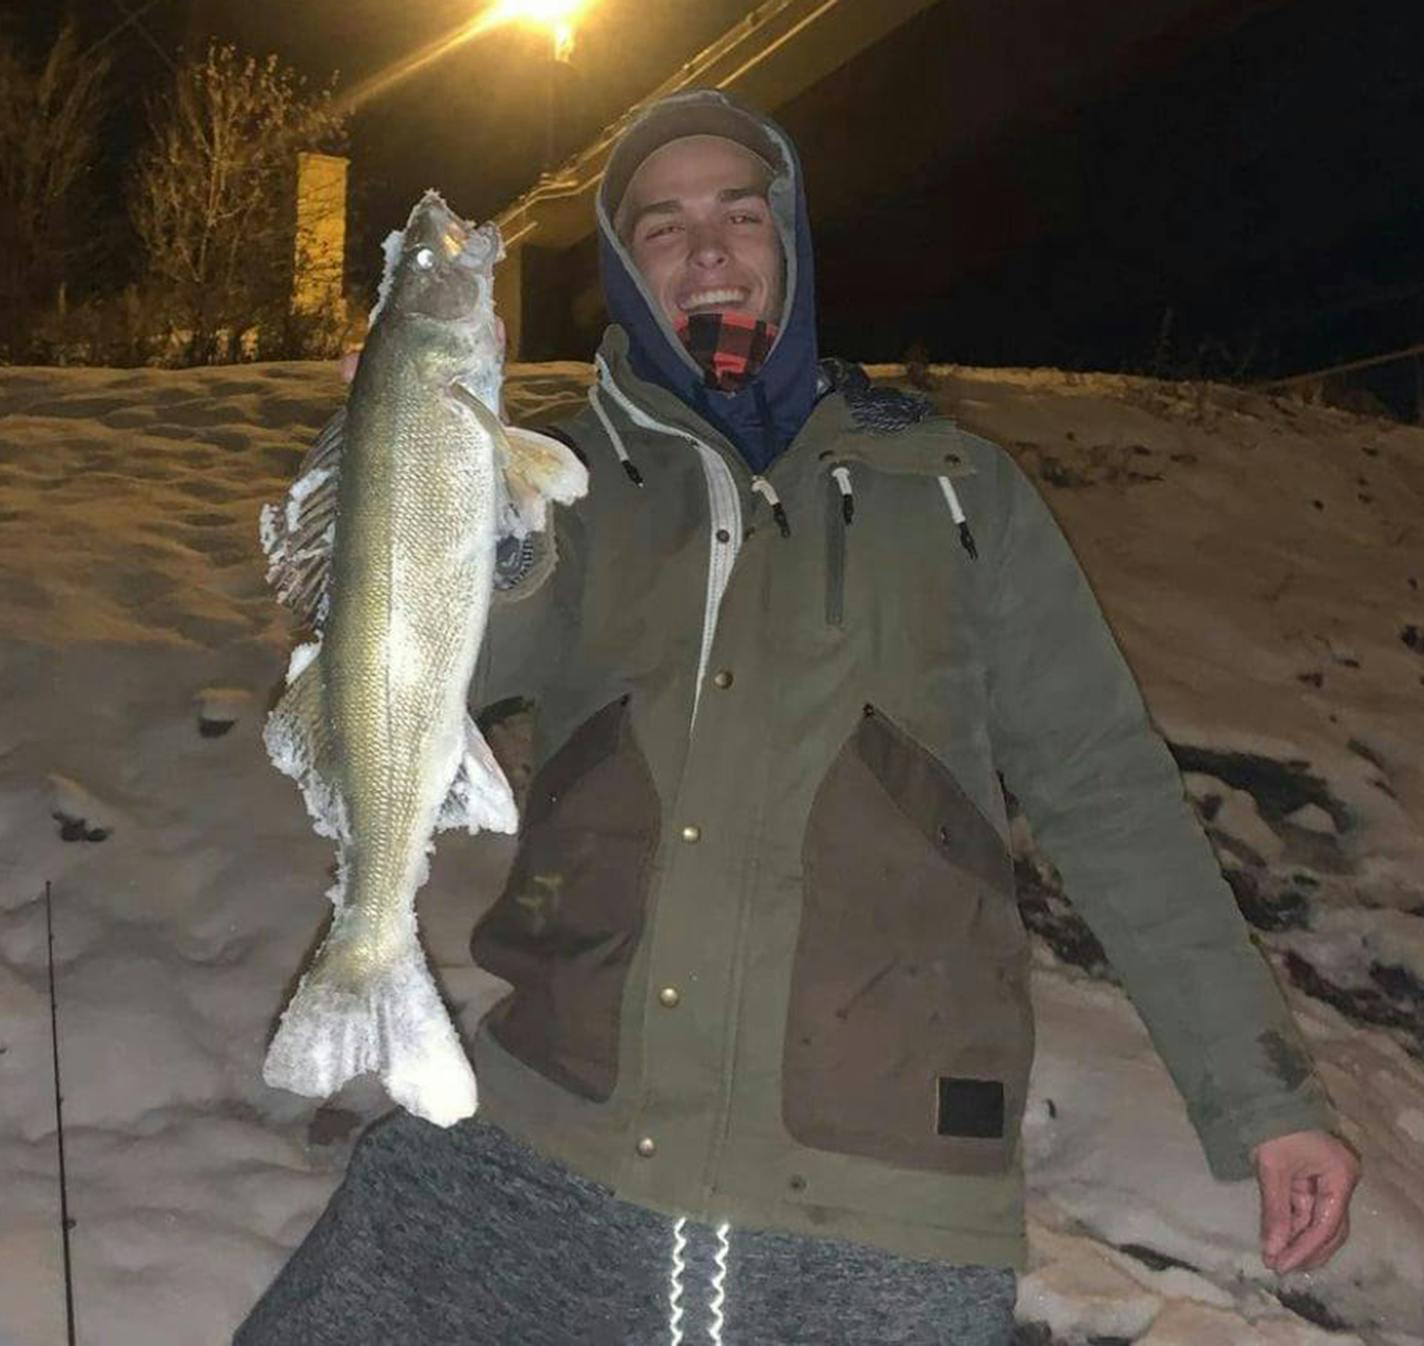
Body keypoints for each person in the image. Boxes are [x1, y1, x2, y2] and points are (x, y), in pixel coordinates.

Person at [237, 89, 1359, 1345]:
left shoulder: (955, 492)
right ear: (622, 272)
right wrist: (416, 486)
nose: (704, 245)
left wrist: (1261, 1094)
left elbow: (1110, 794)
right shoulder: (563, 486)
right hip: (550, 1135)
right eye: (659, 226)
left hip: (883, 1200)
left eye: (737, 212)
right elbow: (425, 678)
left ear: (791, 243)